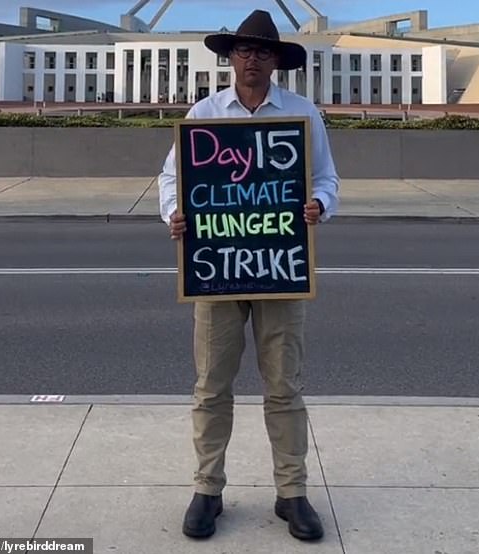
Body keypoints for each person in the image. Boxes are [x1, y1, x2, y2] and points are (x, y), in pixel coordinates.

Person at [157, 9, 339, 541]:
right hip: (216, 269)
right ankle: (207, 489)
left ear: (276, 61)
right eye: (243, 50)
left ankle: (292, 493)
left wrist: (318, 205)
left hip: (280, 267)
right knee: (211, 385)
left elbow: (326, 177)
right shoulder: (205, 112)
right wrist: (175, 213)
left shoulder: (303, 114)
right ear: (230, 57)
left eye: (262, 51)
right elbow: (173, 176)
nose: (252, 58)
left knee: (284, 386)